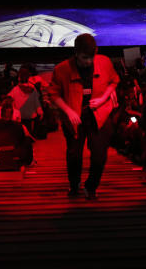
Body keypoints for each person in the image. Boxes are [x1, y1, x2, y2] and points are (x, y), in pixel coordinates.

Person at [49, 33, 120, 199]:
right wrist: (69, 110)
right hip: (74, 118)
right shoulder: (62, 69)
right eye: (84, 58)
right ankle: (74, 186)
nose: (88, 62)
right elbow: (53, 93)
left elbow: (114, 81)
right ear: (76, 53)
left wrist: (103, 98)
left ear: (96, 51)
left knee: (99, 156)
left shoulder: (104, 62)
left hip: (99, 115)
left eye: (91, 57)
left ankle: (91, 186)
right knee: (74, 155)